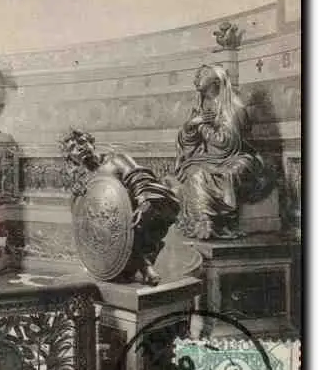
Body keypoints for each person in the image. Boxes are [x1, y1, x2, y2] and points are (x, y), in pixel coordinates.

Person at [61, 129, 179, 286]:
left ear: (92, 143)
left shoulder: (115, 160)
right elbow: (80, 216)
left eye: (82, 142)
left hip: (136, 211)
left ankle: (145, 264)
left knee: (146, 211)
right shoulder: (85, 181)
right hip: (108, 226)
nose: (79, 148)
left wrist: (144, 202)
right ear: (71, 158)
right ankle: (115, 265)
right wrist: (76, 198)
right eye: (73, 148)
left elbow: (140, 179)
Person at [174, 64, 273, 239]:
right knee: (191, 172)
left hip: (236, 157)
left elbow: (227, 144)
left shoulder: (233, 107)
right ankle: (202, 221)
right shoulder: (199, 106)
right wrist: (190, 125)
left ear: (216, 81)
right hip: (208, 158)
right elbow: (187, 142)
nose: (196, 78)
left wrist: (202, 126)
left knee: (203, 174)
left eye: (202, 74)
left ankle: (209, 222)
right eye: (197, 75)